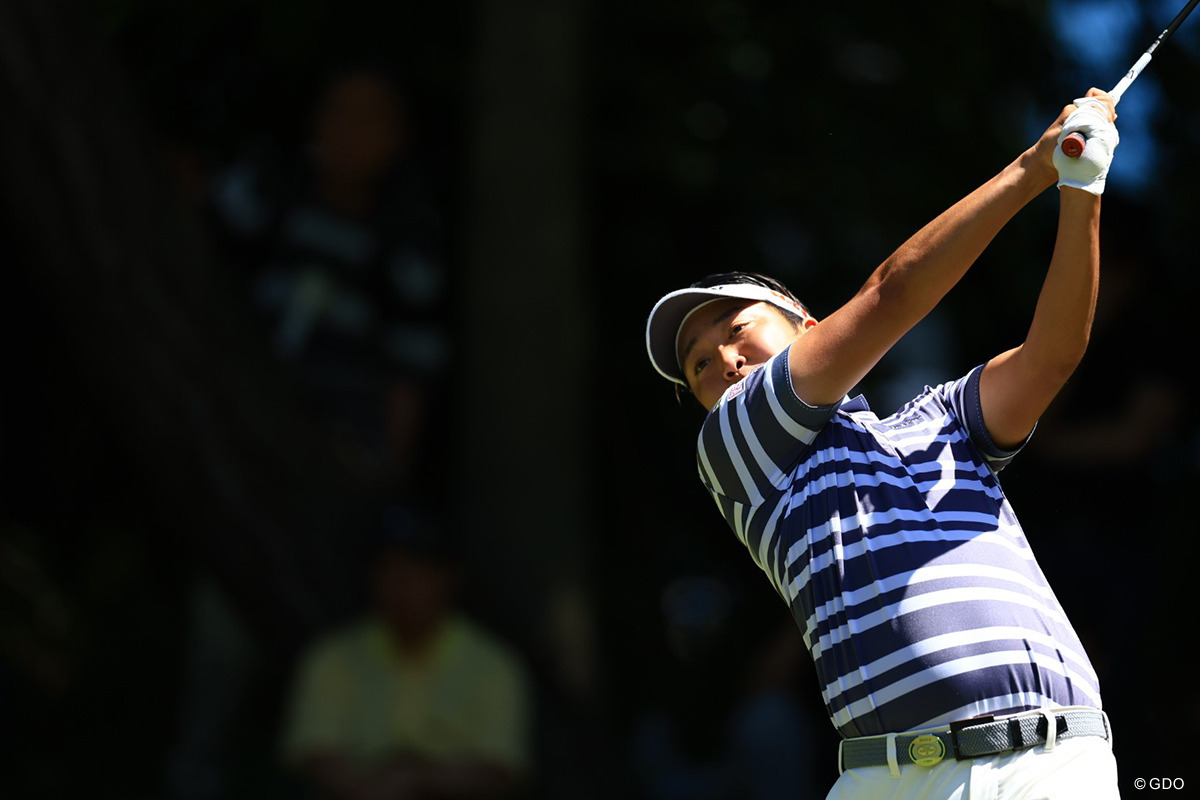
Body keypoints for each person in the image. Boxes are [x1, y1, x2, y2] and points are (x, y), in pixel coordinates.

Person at [644, 89, 1121, 799]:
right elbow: (893, 293)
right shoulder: (735, 450)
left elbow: (1050, 358)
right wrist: (1034, 166)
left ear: (806, 324)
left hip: (1046, 762)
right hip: (886, 779)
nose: (726, 363)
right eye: (700, 365)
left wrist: (1083, 189)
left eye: (737, 329)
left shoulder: (939, 419)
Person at [278, 505, 533, 799]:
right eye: (388, 568)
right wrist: (373, 790)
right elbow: (313, 755)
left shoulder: (493, 665)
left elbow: (501, 769)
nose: (401, 584)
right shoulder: (332, 657)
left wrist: (419, 778)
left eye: (415, 569)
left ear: (446, 578)